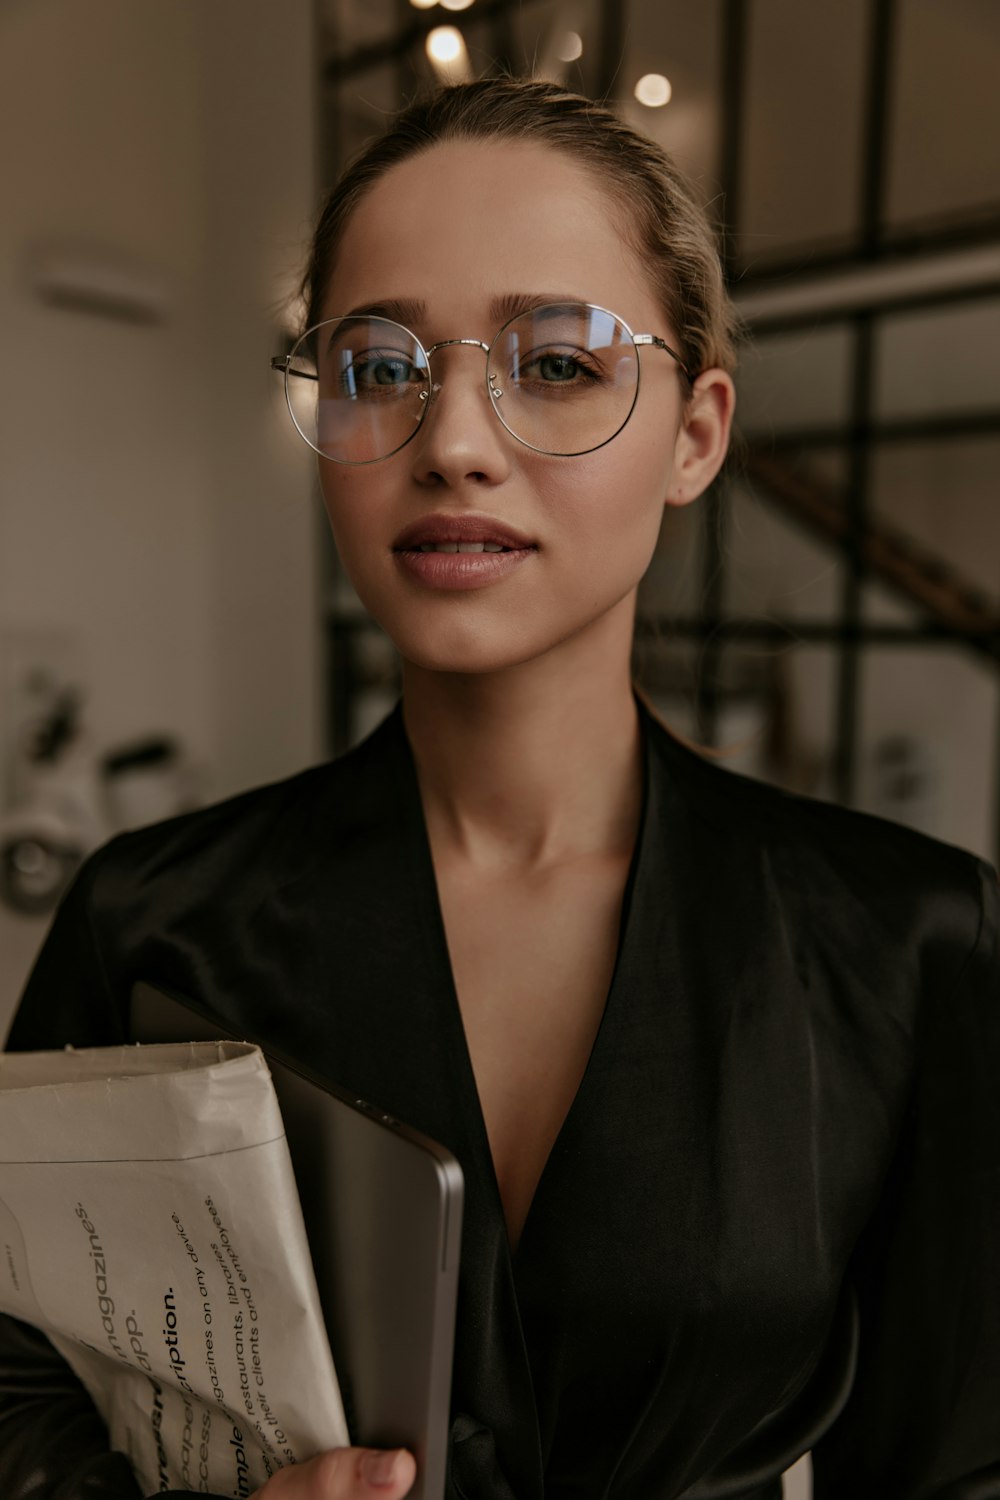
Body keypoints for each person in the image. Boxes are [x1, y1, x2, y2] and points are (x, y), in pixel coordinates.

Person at [2, 76, 998, 1500]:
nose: (453, 443)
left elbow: (957, 1462)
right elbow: (14, 1375)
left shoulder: (909, 939)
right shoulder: (150, 919)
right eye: (379, 367)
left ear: (697, 436)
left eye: (558, 362)